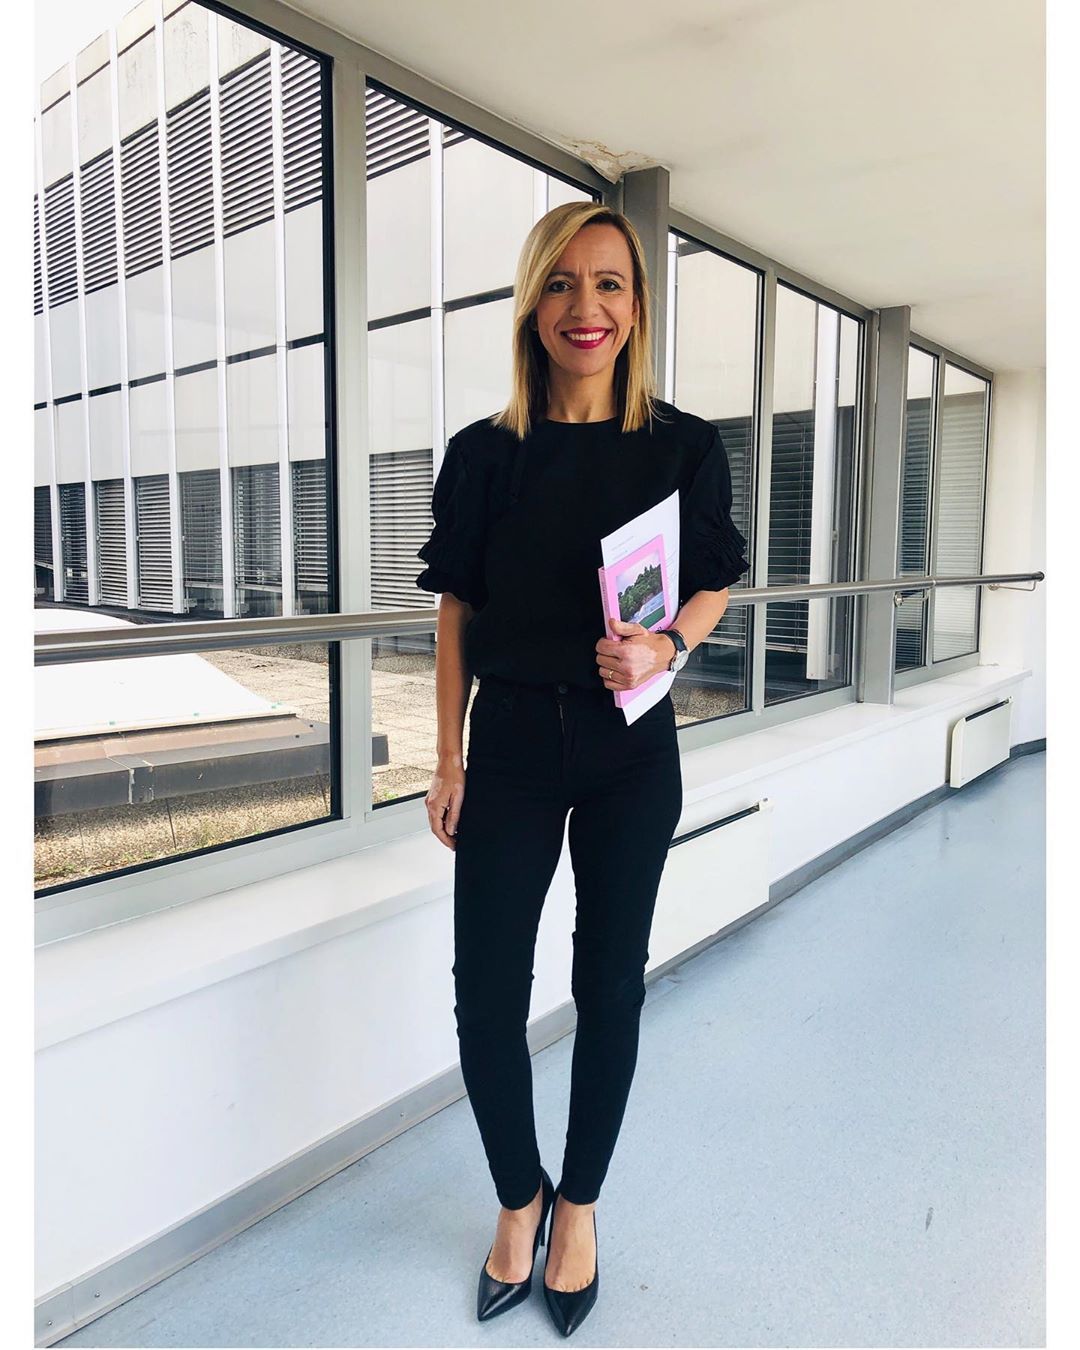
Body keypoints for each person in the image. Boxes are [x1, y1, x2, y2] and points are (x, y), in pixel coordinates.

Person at [415, 201, 750, 1337]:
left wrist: (670, 646)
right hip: (509, 744)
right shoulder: (483, 456)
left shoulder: (681, 447)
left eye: (609, 283)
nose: (585, 306)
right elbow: (455, 611)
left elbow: (714, 577)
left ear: (637, 307)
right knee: (484, 997)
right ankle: (519, 1198)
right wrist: (449, 756)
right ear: (531, 303)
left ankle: (581, 1208)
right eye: (560, 283)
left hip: (627, 749)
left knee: (610, 986)